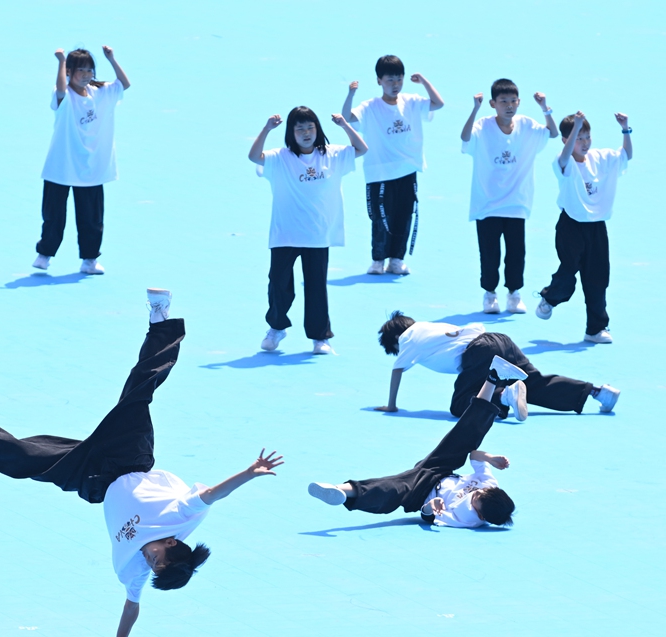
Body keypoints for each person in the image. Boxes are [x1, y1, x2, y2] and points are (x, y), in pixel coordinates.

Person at [0, 290, 284, 637]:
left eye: (152, 566)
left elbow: (132, 608)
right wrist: (249, 474)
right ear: (171, 543)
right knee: (138, 393)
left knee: (30, 462)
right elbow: (214, 494)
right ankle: (161, 322)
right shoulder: (180, 517)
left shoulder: (134, 571)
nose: (149, 559)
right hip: (130, 457)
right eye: (157, 557)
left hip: (95, 480)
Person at [309, 357, 523, 528]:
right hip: (443, 469)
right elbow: (473, 455)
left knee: (391, 489)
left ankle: (339, 490)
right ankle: (494, 376)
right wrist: (490, 458)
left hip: (421, 491)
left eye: (476, 500)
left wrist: (431, 506)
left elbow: (427, 517)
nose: (475, 494)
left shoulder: (467, 519)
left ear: (482, 515)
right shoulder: (489, 486)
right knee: (466, 434)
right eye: (480, 493)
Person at [248, 107, 367, 355]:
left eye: (310, 127)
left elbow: (361, 149)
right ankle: (277, 328)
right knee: (278, 284)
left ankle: (320, 337)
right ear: (291, 133)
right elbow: (254, 156)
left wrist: (345, 125)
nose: (306, 133)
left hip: (318, 234)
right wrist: (266, 129)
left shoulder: (332, 154)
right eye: (300, 128)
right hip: (285, 234)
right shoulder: (280, 157)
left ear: (318, 130)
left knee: (316, 287)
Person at [374, 312, 619, 418]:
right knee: (534, 383)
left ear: (396, 338)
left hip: (479, 352)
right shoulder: (428, 326)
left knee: (461, 404)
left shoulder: (408, 337)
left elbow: (397, 370)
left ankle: (504, 396)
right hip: (500, 340)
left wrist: (392, 405)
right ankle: (599, 392)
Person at [461, 79, 558, 314]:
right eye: (503, 101)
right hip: (487, 205)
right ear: (493, 104)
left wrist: (545, 107)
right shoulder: (482, 126)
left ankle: (514, 294)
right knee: (490, 255)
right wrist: (474, 109)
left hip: (517, 204)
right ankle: (490, 295)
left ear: (519, 102)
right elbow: (465, 139)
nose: (509, 105)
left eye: (513, 101)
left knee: (516, 254)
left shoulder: (526, 125)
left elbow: (553, 134)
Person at [535, 111, 633, 344]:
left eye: (587, 137)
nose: (585, 143)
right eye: (578, 138)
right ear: (567, 141)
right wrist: (576, 123)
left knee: (598, 277)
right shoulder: (563, 162)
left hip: (597, 228)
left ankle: (595, 329)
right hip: (571, 225)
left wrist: (625, 128)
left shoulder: (601, 158)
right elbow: (564, 158)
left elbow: (626, 155)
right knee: (568, 273)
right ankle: (549, 299)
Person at [342, 55, 444, 275]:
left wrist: (425, 82)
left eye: (399, 79)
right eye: (390, 80)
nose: (395, 85)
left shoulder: (412, 102)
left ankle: (397, 259)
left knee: (404, 215)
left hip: (407, 169)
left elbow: (438, 104)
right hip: (380, 172)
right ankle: (378, 260)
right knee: (381, 218)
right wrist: (350, 94)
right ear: (379, 81)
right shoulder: (370, 107)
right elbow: (347, 117)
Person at [33, 46, 131, 275]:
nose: (86, 74)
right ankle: (44, 254)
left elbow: (124, 84)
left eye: (90, 70)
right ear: (69, 72)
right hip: (62, 165)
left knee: (92, 218)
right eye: (80, 70)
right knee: (53, 216)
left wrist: (112, 59)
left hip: (93, 168)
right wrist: (60, 62)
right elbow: (59, 88)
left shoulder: (101, 92)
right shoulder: (65, 96)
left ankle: (89, 260)